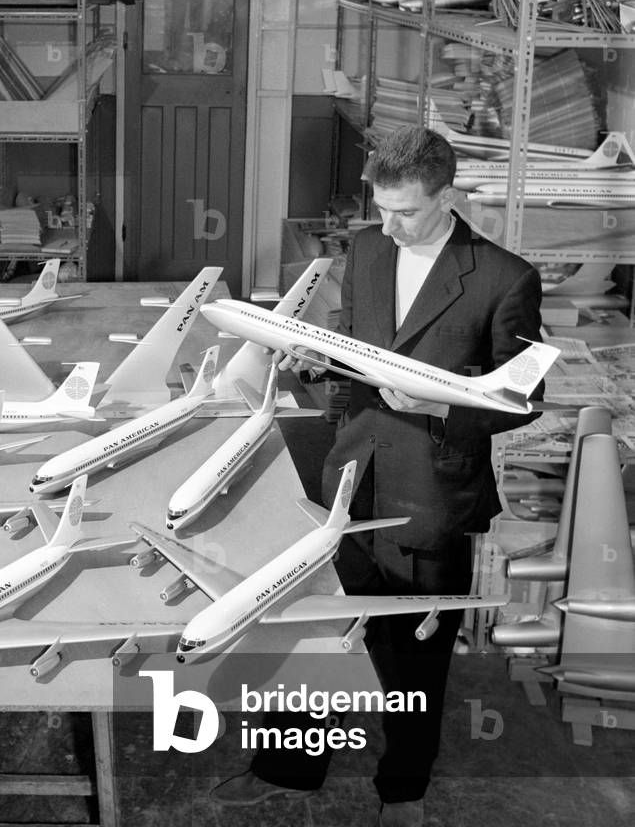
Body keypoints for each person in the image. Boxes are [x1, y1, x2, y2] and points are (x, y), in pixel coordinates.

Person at [212, 125, 545, 826]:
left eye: (405, 212)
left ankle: (402, 792)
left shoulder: (502, 276)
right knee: (319, 636)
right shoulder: (364, 248)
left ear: (446, 196)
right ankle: (287, 769)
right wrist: (313, 360)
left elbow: (522, 400)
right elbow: (347, 339)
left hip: (431, 491)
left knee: (412, 664)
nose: (388, 225)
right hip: (348, 479)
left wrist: (438, 403)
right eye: (380, 206)